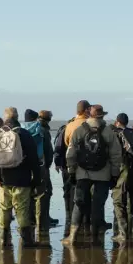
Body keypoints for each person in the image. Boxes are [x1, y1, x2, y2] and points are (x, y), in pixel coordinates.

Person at [63, 104, 122, 245]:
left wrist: (71, 171)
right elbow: (116, 155)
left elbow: (70, 153)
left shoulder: (79, 130)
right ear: (102, 116)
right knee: (98, 205)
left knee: (79, 203)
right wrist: (114, 175)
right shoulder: (108, 132)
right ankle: (96, 238)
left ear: (89, 115)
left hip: (82, 173)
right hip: (103, 174)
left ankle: (72, 237)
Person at [0, 107, 42, 247]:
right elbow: (34, 159)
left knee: (4, 208)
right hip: (22, 179)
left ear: (4, 118)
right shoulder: (24, 134)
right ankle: (26, 241)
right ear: (17, 117)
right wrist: (36, 179)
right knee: (22, 209)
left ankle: (3, 239)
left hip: (3, 180)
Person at [111, 113, 133, 243]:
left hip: (123, 170)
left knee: (119, 202)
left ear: (117, 122)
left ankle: (123, 233)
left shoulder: (115, 134)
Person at [59, 100, 91, 237]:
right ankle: (88, 223)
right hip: (90, 165)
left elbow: (66, 144)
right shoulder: (92, 125)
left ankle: (71, 223)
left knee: (73, 193)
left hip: (72, 164)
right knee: (88, 194)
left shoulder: (70, 126)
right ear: (87, 110)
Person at [37, 110, 59, 230]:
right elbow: (49, 150)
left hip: (32, 166)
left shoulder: (34, 128)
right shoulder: (44, 130)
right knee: (46, 192)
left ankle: (39, 218)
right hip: (43, 166)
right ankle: (44, 219)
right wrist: (48, 165)